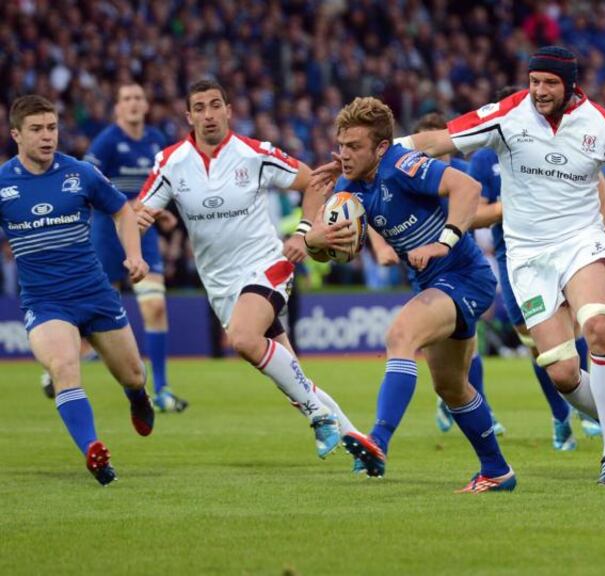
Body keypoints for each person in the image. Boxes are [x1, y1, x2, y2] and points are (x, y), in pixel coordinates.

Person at [402, 46, 605, 487]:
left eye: (549, 83)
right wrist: (385, 153)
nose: (539, 91)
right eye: (534, 82)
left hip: (580, 243)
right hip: (527, 257)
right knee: (561, 370)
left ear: (569, 84)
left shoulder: (601, 125)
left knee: (599, 327)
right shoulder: (508, 114)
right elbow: (440, 139)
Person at [136, 79, 379, 470]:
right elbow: (137, 213)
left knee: (244, 340)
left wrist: (302, 233)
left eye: (216, 105)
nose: (209, 114)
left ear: (229, 110)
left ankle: (319, 419)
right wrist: (135, 237)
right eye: (199, 107)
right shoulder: (171, 163)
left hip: (266, 264)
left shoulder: (255, 154)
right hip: (220, 285)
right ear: (188, 116)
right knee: (292, 376)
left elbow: (314, 180)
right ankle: (360, 443)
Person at [305, 97, 516, 492]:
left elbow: (466, 187)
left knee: (400, 336)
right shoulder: (350, 187)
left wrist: (444, 241)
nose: (344, 155)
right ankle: (497, 471)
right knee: (451, 386)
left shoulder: (402, 164)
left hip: (463, 274)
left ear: (380, 147)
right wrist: (315, 240)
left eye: (355, 147)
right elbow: (329, 249)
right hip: (434, 284)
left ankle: (378, 442)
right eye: (341, 145)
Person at [0, 95, 155, 485]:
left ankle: (138, 397)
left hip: (96, 294)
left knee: (134, 376)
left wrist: (133, 255)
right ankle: (94, 452)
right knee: (64, 368)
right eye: (36, 129)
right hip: (46, 302)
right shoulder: (3, 185)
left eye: (52, 127)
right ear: (16, 134)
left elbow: (121, 210)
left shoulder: (81, 173)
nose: (47, 136)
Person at [463, 87, 604, 451]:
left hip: (565, 247)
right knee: (538, 344)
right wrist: (515, 207)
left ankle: (590, 411)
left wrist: (598, 227)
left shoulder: (557, 142)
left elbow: (596, 180)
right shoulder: (485, 158)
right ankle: (561, 418)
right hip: (518, 258)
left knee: (577, 327)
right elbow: (473, 214)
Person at [387, 112, 505, 438]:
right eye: (426, 149)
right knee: (439, 351)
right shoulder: (403, 177)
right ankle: (457, 399)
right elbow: (375, 211)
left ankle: (470, 404)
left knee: (469, 348)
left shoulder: (462, 175)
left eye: (439, 146)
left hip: (463, 268)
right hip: (424, 273)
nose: (434, 155)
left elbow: (476, 210)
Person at [83, 82, 187, 412]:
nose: (132, 103)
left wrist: (163, 214)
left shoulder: (157, 141)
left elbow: (163, 188)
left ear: (146, 105)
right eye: (126, 98)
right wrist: (131, 207)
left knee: (155, 309)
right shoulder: (107, 141)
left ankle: (163, 390)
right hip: (106, 233)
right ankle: (58, 367)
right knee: (90, 313)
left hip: (146, 233)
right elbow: (88, 186)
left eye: (138, 98)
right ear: (117, 107)